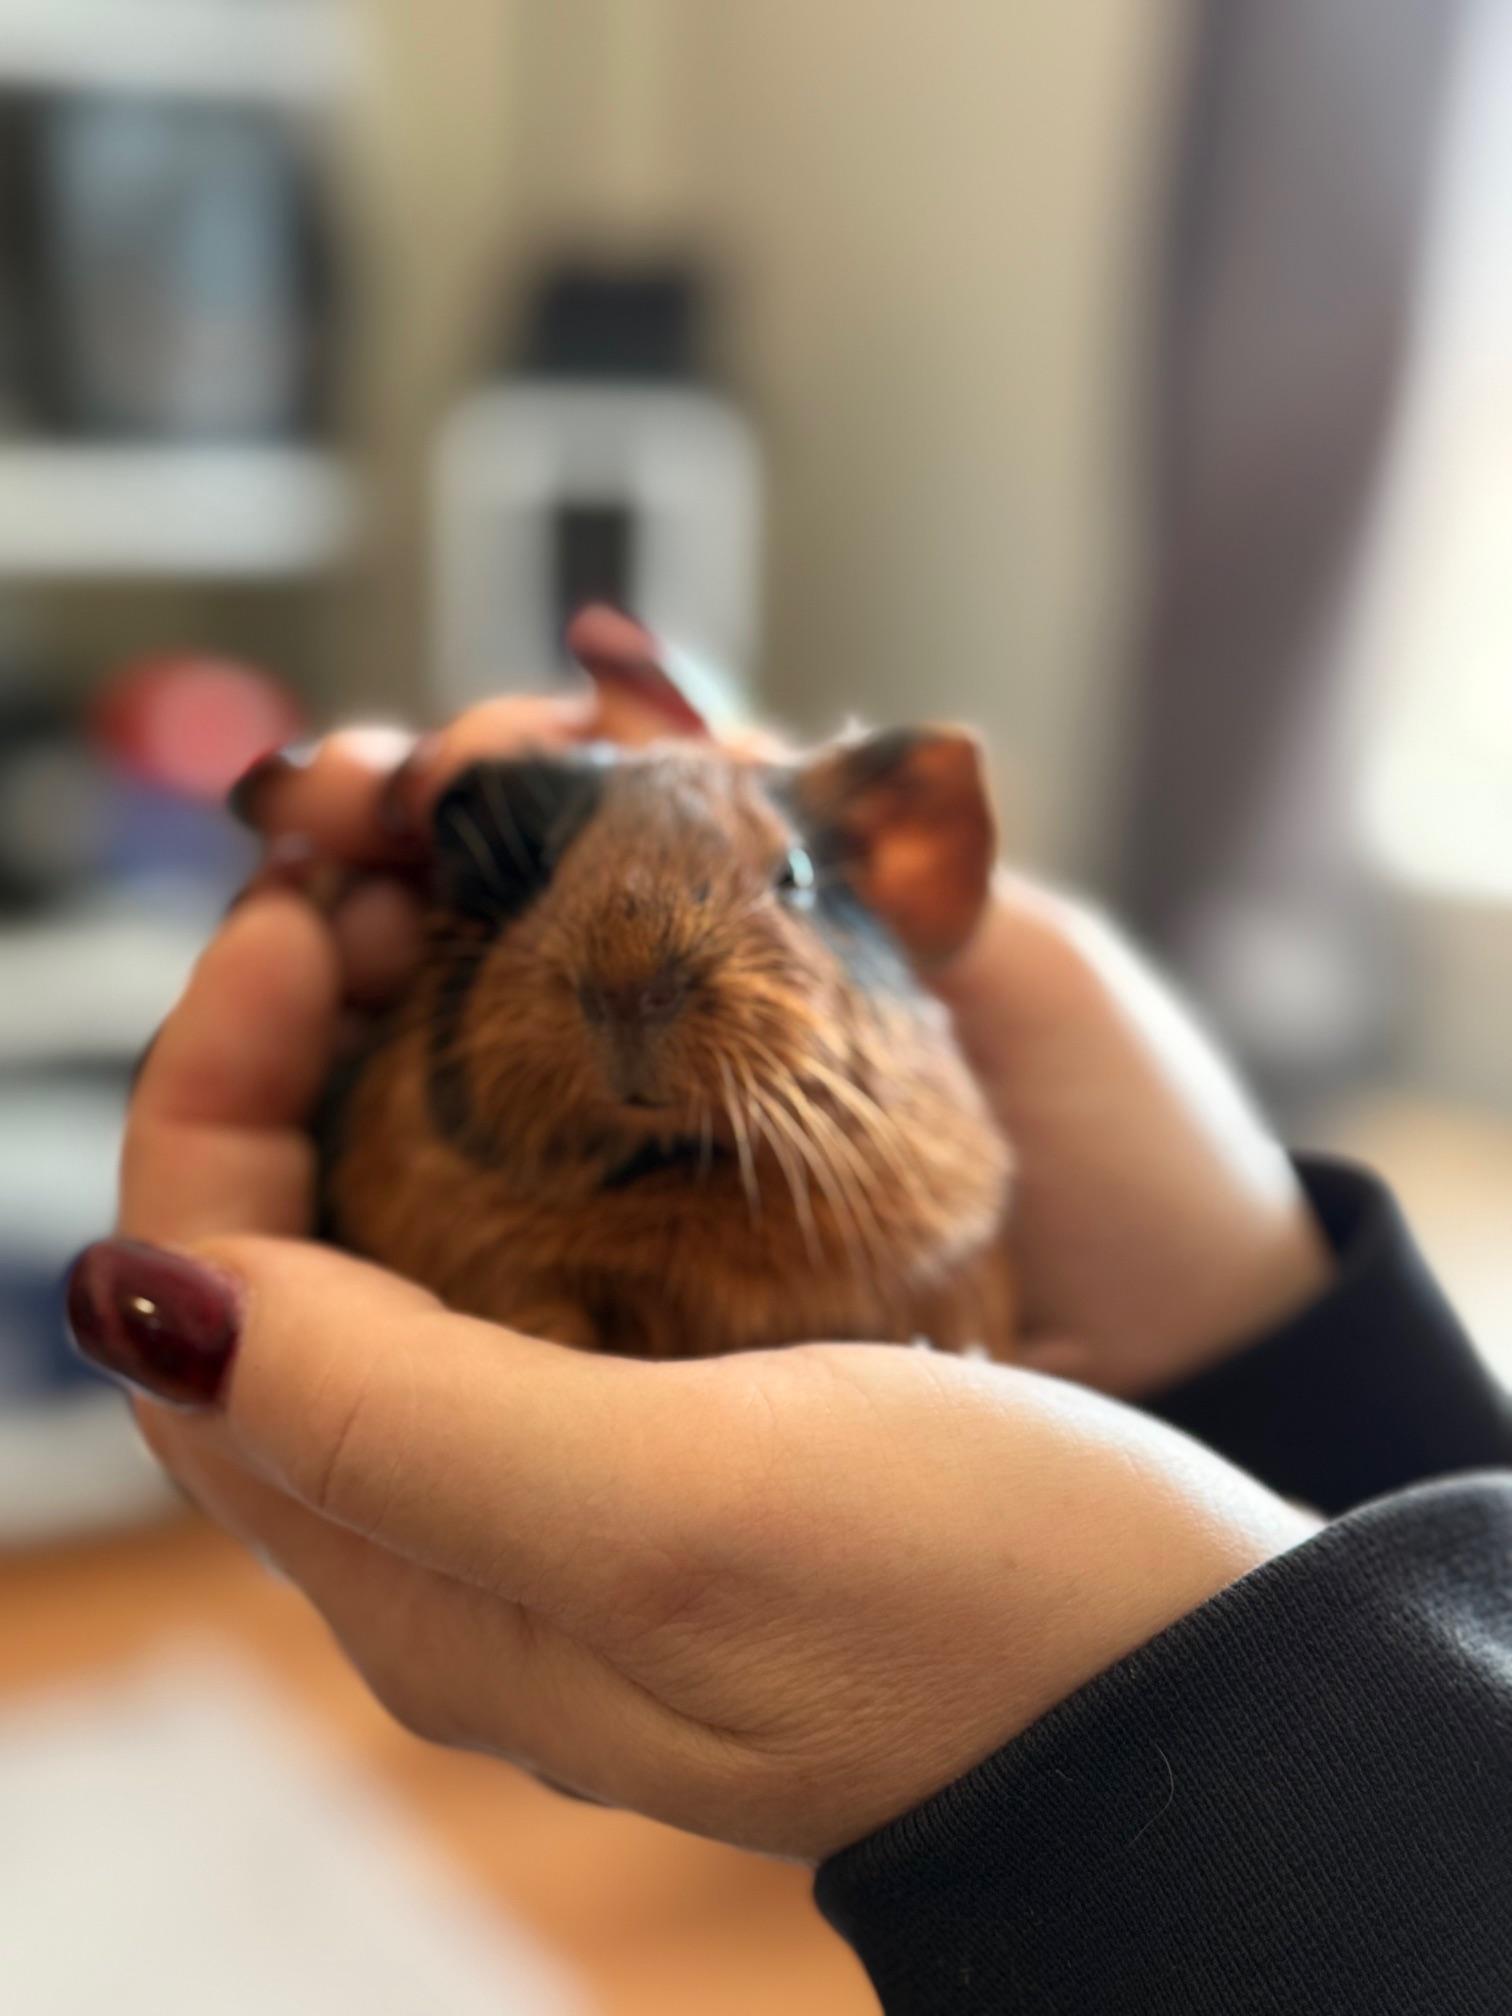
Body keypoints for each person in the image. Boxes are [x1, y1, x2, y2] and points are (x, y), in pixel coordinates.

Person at [66, 641, 1512, 2013]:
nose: (634, 973)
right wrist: (1290, 1357)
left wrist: (1106, 1722)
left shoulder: (966, 1158)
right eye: (531, 893)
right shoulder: (436, 1109)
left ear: (913, 870)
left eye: (792, 882)